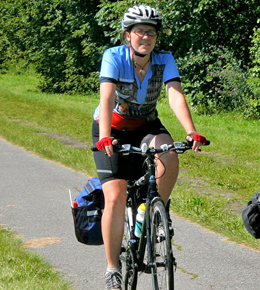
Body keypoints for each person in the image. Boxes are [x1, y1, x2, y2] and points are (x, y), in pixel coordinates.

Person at [91, 5, 208, 290]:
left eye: (151, 32)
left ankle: (155, 211)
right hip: (112, 128)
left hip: (145, 124)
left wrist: (190, 131)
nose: (146, 37)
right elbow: (106, 98)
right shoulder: (114, 57)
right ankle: (112, 269)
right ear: (127, 35)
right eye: (140, 31)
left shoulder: (164, 59)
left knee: (168, 153)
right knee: (116, 196)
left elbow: (174, 95)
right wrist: (105, 136)